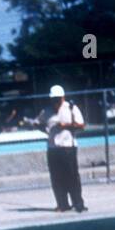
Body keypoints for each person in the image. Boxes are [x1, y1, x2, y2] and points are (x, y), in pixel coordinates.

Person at [41, 85, 86, 213]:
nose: (55, 102)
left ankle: (78, 203)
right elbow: (39, 123)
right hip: (53, 148)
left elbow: (81, 125)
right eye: (53, 99)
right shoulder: (46, 111)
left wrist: (66, 126)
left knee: (72, 176)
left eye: (57, 99)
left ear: (63, 97)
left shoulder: (71, 108)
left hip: (68, 147)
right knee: (56, 178)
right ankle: (62, 204)